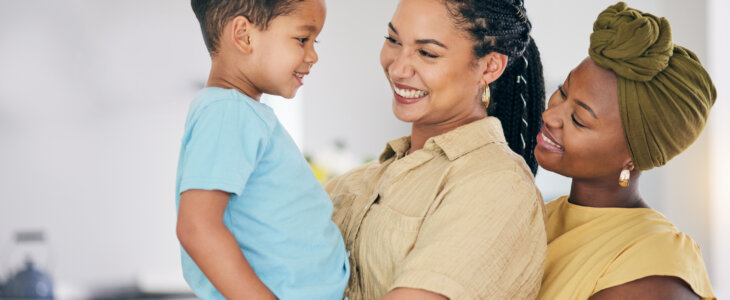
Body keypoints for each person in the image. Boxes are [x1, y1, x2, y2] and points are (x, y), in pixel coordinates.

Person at [325, 0, 547, 298]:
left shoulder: (497, 184)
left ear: (490, 66)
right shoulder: (355, 182)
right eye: (393, 40)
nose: (398, 68)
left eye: (427, 53)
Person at [536, 2, 716, 299]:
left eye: (579, 119)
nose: (550, 116)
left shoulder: (653, 263)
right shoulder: (537, 215)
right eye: (564, 92)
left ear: (632, 157)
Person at [175, 0, 349, 299]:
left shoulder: (241, 113)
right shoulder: (228, 111)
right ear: (244, 35)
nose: (313, 55)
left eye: (314, 41)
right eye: (303, 39)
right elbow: (196, 227)